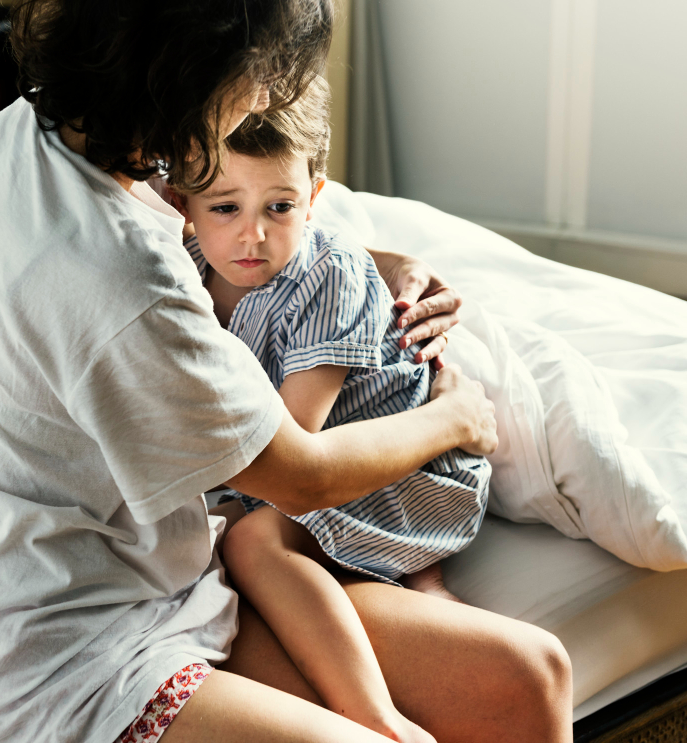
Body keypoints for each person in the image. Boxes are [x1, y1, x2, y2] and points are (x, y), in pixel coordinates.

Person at [0, 2, 573, 742]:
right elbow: (303, 474)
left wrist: (370, 266)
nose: (264, 101)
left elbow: (221, 238)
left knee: (532, 674)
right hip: (57, 666)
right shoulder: (121, 280)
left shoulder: (30, 133)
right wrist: (456, 417)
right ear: (186, 79)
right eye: (257, 82)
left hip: (162, 589)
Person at [170, 75, 490, 740]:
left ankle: (378, 721)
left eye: (280, 206)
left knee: (252, 536)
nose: (252, 235)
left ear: (314, 198)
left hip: (403, 468)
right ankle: (414, 585)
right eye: (225, 207)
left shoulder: (328, 273)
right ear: (183, 204)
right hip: (327, 463)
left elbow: (294, 443)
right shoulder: (184, 263)